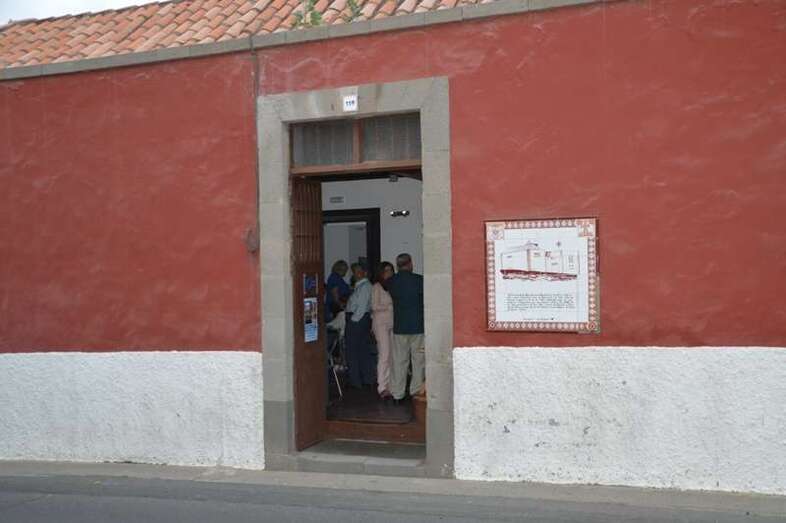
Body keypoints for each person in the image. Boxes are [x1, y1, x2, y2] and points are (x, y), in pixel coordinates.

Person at [386, 253, 425, 402]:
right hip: (418, 326)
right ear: (410, 264)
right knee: (418, 360)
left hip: (400, 326)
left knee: (399, 361)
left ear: (397, 265)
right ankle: (415, 390)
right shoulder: (419, 280)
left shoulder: (391, 282)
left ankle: (397, 394)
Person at [344, 262, 375, 389]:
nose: (355, 274)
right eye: (354, 271)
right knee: (362, 350)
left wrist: (353, 320)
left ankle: (356, 381)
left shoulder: (365, 286)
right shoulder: (361, 286)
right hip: (361, 319)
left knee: (352, 351)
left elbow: (361, 307)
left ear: (365, 272)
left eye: (358, 271)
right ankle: (365, 379)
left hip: (358, 320)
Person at [371, 261, 395, 400]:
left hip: (392, 323)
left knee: (392, 355)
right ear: (381, 272)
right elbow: (374, 306)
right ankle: (381, 386)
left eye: (391, 270)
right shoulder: (377, 287)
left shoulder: (392, 286)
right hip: (381, 324)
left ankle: (390, 385)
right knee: (384, 354)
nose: (389, 273)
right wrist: (389, 306)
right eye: (386, 270)